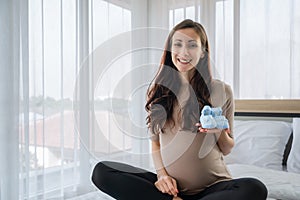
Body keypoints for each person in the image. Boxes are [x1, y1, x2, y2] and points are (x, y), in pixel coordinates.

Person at [91, 19, 268, 200]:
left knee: (255, 188)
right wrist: (161, 176)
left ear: (203, 52)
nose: (184, 52)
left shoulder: (221, 90)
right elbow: (155, 143)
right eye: (178, 44)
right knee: (102, 171)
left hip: (214, 188)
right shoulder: (158, 92)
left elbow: (227, 148)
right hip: (171, 191)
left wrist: (219, 131)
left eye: (192, 45)